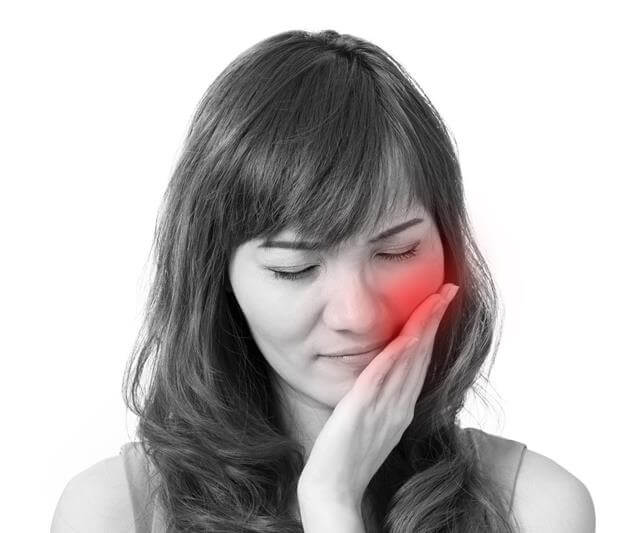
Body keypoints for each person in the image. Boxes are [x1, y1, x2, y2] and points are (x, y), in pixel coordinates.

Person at [51, 29, 595, 532]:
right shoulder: (116, 512)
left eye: (398, 251)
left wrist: (332, 502)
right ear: (218, 275)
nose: (357, 315)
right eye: (296, 268)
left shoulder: (532, 507)